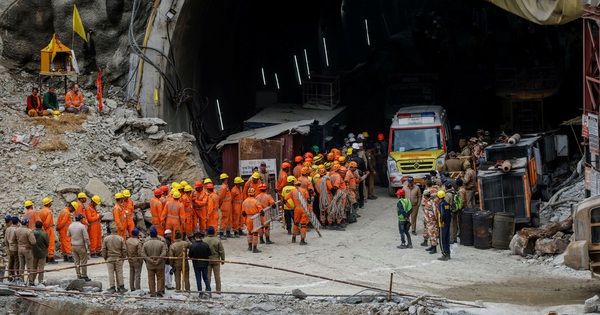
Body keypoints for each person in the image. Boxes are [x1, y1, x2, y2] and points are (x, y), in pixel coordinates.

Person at [142, 226, 168, 297]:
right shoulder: (161, 243)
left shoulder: (146, 243)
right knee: (160, 278)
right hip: (160, 264)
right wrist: (158, 260)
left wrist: (150, 260)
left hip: (150, 265)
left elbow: (143, 254)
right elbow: (164, 253)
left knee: (151, 279)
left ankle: (152, 293)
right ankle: (159, 292)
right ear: (157, 234)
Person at [102, 223, 127, 294]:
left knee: (111, 273)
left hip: (109, 258)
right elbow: (124, 249)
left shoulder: (106, 239)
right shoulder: (120, 238)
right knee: (119, 272)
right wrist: (123, 257)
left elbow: (103, 249)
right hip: (118, 258)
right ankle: (121, 287)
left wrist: (105, 258)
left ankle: (112, 287)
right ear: (116, 230)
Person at [285, 180, 311, 245]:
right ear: (300, 184)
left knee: (296, 223)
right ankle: (302, 240)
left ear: (294, 185)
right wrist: (309, 210)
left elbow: (284, 200)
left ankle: (293, 238)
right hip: (304, 208)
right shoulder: (304, 191)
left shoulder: (292, 191)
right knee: (303, 225)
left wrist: (290, 206)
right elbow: (309, 201)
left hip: (296, 208)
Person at [68, 214, 91, 281]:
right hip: (81, 246)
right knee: (83, 261)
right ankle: (84, 275)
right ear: (81, 219)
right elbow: (86, 237)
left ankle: (78, 274)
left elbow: (68, 234)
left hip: (73, 246)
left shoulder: (71, 225)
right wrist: (88, 245)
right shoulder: (82, 226)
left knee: (76, 261)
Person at [188, 232, 211, 297]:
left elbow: (190, 255)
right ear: (201, 237)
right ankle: (209, 290)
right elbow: (209, 254)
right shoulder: (205, 245)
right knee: (205, 277)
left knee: (198, 278)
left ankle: (200, 291)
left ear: (195, 238)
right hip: (205, 264)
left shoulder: (193, 245)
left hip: (196, 264)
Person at [14, 218, 36, 284]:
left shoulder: (16, 230)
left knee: (21, 265)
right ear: (26, 223)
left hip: (19, 249)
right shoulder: (28, 231)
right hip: (27, 249)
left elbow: (14, 239)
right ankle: (31, 281)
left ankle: (21, 280)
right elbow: (33, 242)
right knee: (29, 266)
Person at [203, 226, 225, 293]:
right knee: (217, 276)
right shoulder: (217, 240)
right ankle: (218, 290)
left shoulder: (204, 240)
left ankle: (208, 290)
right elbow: (221, 250)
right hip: (216, 260)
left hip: (207, 260)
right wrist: (223, 259)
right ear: (214, 232)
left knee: (208, 276)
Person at [242, 187, 263, 252]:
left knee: (249, 232)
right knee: (255, 233)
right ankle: (254, 248)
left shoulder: (244, 202)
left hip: (248, 218)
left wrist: (244, 221)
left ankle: (249, 246)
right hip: (255, 218)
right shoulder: (256, 201)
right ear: (254, 193)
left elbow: (243, 213)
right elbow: (261, 211)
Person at [39, 198, 57, 264]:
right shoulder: (49, 211)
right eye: (50, 202)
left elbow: (40, 221)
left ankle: (46, 257)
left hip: (43, 229)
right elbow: (47, 222)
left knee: (45, 244)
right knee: (51, 243)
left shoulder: (41, 211)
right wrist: (46, 228)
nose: (51, 203)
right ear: (48, 203)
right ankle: (51, 258)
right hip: (49, 229)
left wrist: (43, 228)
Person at [126, 228, 143, 292]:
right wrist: (141, 261)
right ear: (138, 234)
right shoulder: (138, 242)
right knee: (137, 275)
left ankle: (132, 287)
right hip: (137, 260)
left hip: (130, 259)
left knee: (131, 274)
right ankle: (137, 288)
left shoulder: (128, 241)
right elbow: (139, 253)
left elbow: (126, 250)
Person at [31, 221, 49, 285]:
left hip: (33, 252)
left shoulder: (31, 232)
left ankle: (32, 280)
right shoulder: (44, 233)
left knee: (33, 267)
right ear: (42, 226)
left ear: (35, 226)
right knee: (41, 268)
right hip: (42, 252)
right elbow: (47, 243)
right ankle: (40, 281)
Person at [437, 190, 452, 261]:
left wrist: (442, 222)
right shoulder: (447, 204)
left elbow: (442, 214)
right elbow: (449, 214)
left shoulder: (440, 205)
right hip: (448, 223)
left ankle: (444, 254)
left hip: (442, 224)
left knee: (442, 239)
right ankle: (448, 253)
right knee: (447, 239)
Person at [218, 173, 232, 239]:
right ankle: (221, 233)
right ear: (225, 179)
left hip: (227, 206)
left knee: (228, 219)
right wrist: (220, 204)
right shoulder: (224, 187)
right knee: (224, 219)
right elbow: (221, 197)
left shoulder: (225, 186)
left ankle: (228, 232)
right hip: (225, 206)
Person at [5, 216, 19, 281]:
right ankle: (17, 276)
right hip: (16, 248)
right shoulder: (17, 229)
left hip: (10, 248)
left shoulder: (8, 229)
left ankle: (10, 276)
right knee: (17, 263)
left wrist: (8, 247)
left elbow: (5, 240)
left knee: (10, 263)